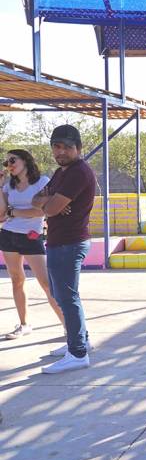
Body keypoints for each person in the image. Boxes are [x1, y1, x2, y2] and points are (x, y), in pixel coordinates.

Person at [35, 125, 97, 374]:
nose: (60, 152)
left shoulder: (78, 172)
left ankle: (78, 353)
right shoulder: (62, 172)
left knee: (67, 298)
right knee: (61, 296)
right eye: (56, 147)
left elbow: (49, 208)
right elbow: (36, 200)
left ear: (78, 148)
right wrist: (50, 201)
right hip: (59, 242)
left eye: (66, 147)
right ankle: (80, 340)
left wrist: (50, 203)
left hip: (69, 243)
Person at [0, 149, 64, 339]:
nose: (9, 165)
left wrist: (14, 212)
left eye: (12, 160)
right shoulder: (9, 186)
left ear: (26, 160)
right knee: (16, 280)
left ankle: (69, 326)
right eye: (6, 163)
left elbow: (41, 211)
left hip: (31, 237)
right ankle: (24, 324)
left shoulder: (42, 182)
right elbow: (2, 213)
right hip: (8, 235)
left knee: (46, 283)